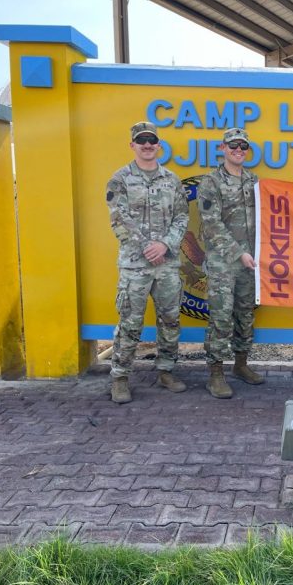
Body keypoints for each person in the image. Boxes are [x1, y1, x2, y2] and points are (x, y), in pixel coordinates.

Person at [106, 121, 189, 404]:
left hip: (167, 264)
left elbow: (182, 216)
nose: (147, 145)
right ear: (132, 145)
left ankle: (166, 370)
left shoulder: (172, 180)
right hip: (135, 265)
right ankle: (119, 377)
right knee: (130, 322)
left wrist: (165, 244)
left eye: (152, 140)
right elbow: (119, 220)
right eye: (141, 140)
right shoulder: (119, 179)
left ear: (159, 145)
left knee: (170, 319)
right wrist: (147, 247)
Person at [197, 128, 265, 399]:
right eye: (234, 145)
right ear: (222, 147)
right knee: (221, 318)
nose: (239, 150)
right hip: (224, 262)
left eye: (243, 146)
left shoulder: (254, 180)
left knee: (245, 314)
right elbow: (211, 224)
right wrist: (239, 253)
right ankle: (215, 374)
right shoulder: (211, 182)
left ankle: (241, 364)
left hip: (251, 263)